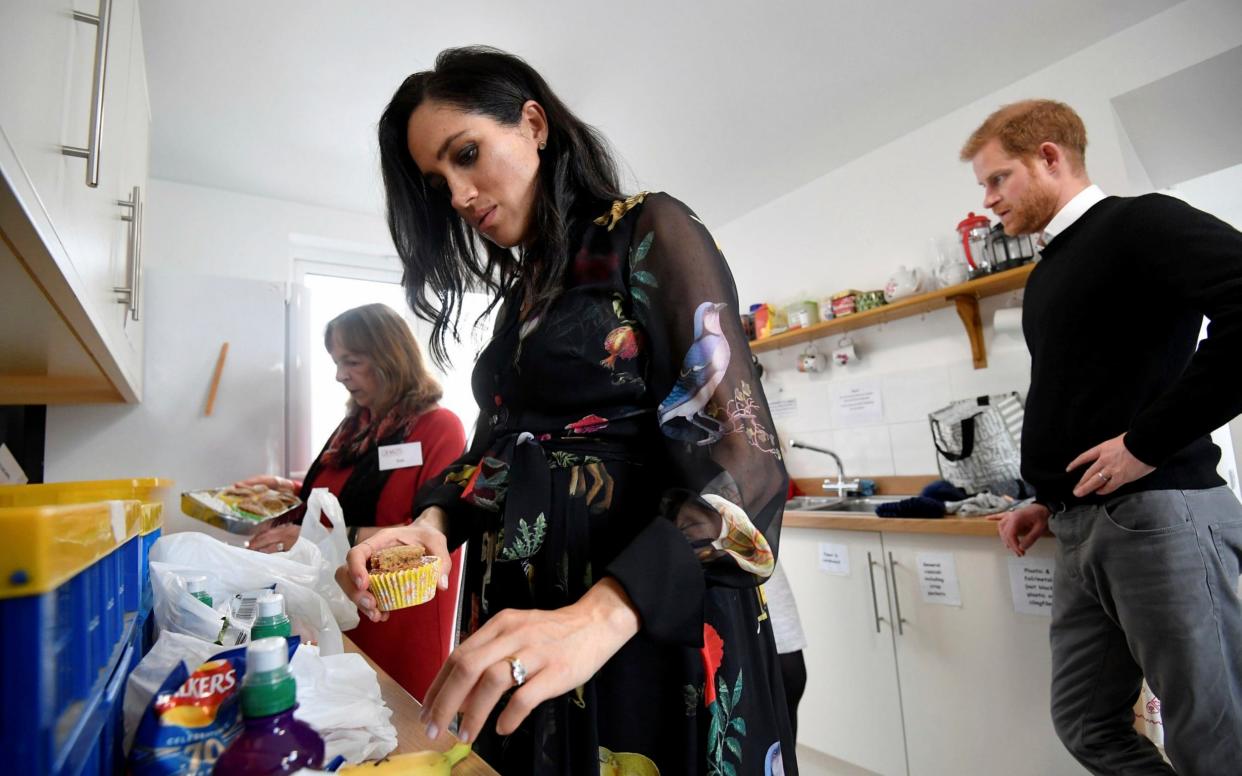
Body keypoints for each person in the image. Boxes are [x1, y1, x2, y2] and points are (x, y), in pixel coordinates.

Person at [338, 47, 796, 775]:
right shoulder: (518, 302)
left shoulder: (648, 232)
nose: (458, 196)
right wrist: (429, 526)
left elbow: (750, 470)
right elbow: (495, 456)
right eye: (438, 182)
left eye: (467, 154)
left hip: (641, 631)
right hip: (523, 641)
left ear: (533, 123)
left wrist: (597, 617)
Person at [961, 99, 1242, 775]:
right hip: (1079, 527)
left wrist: (1145, 443)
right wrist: (1046, 496)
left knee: (1215, 739)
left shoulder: (1139, 223)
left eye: (998, 179)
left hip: (1158, 516)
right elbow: (1088, 392)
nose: (989, 201)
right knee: (1087, 724)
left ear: (1051, 155)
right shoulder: (1049, 272)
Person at [245, 303, 467, 700]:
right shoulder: (354, 428)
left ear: (390, 358)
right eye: (336, 361)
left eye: (352, 361)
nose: (340, 375)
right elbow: (340, 497)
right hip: (343, 601)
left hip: (397, 619)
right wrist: (282, 491)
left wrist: (312, 536)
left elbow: (425, 533)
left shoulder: (439, 428)